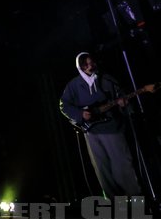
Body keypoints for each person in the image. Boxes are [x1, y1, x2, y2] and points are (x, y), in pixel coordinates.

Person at [59, 52, 142, 200]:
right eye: (85, 64)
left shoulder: (107, 79)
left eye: (91, 63)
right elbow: (64, 106)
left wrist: (124, 104)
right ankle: (114, 204)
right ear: (80, 66)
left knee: (122, 166)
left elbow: (123, 99)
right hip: (91, 132)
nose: (90, 66)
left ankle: (135, 201)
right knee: (103, 170)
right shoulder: (73, 85)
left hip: (112, 129)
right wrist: (80, 114)